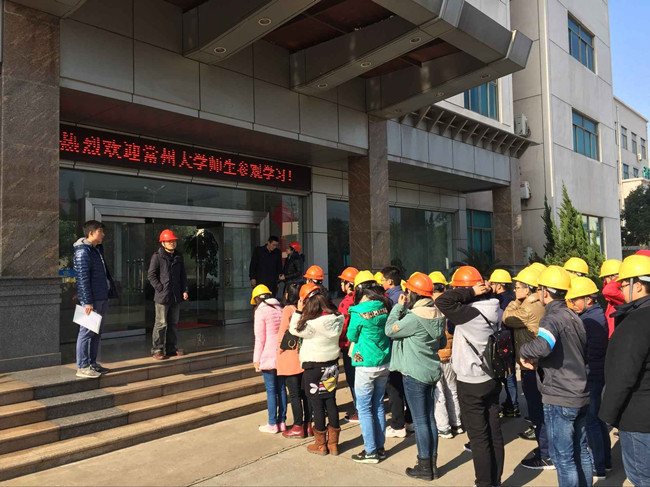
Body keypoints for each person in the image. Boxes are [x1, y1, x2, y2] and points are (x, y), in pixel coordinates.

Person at [519, 266, 592, 487]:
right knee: (581, 451)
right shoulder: (573, 316)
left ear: (545, 292)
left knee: (563, 458)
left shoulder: (551, 318)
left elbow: (543, 346)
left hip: (560, 396)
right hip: (579, 392)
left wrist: (524, 351)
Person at [435, 266, 503, 487]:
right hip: (491, 377)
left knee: (479, 438)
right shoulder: (495, 307)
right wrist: (475, 292)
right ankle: (495, 481)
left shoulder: (470, 314)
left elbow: (442, 301)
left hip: (472, 381)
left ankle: (484, 483)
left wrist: (471, 291)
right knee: (494, 433)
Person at [386, 273, 446, 480]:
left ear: (413, 293)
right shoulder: (438, 314)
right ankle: (432, 465)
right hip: (431, 371)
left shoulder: (413, 317)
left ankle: (424, 465)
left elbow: (390, 330)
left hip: (414, 373)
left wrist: (398, 307)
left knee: (420, 421)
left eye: (408, 291)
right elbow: (441, 343)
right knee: (429, 419)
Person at [600, 255, 650, 487]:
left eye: (622, 285)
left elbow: (622, 376)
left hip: (639, 419)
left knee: (642, 478)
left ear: (637, 285)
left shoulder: (635, 322)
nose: (620, 289)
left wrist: (607, 415)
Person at [502, 266, 553, 470]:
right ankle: (547, 450)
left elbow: (507, 318)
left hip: (532, 364)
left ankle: (546, 454)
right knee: (539, 409)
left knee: (538, 411)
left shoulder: (530, 307)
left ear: (528, 289)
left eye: (517, 287)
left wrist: (515, 301)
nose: (515, 291)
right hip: (534, 363)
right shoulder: (533, 304)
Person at [289, 283, 344, 455]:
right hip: (332, 365)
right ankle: (333, 444)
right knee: (331, 400)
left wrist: (298, 311)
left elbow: (293, 329)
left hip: (313, 367)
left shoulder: (311, 325)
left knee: (317, 404)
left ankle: (320, 445)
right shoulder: (337, 319)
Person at [566, 277, 611, 479]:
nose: (572, 304)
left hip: (591, 375)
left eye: (575, 299)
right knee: (597, 420)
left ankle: (598, 466)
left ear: (588, 299)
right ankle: (605, 462)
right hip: (594, 373)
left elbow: (591, 352)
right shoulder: (591, 315)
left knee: (591, 421)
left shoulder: (590, 320)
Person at [347, 271, 392, 463]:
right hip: (384, 361)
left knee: (364, 408)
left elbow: (351, 336)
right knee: (378, 404)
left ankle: (370, 451)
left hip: (365, 364)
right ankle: (380, 448)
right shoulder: (384, 306)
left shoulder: (358, 311)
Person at [73, 220, 117, 378]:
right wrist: (87, 301)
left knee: (96, 332)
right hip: (92, 299)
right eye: (100, 231)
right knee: (86, 332)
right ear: (91, 233)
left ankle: (92, 363)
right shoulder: (82, 251)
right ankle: (82, 366)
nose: (103, 234)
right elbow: (82, 279)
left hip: (101, 296)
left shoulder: (96, 250)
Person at [381, 265, 413, 438]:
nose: (381, 283)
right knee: (407, 385)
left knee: (394, 387)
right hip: (407, 346)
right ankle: (410, 420)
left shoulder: (390, 300)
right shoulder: (407, 295)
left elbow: (389, 325)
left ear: (390, 281)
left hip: (394, 346)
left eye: (383, 280)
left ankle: (398, 424)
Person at [147, 229, 189, 360]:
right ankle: (157, 349)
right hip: (162, 296)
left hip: (175, 296)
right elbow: (151, 275)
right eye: (169, 241)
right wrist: (160, 288)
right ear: (163, 243)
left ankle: (171, 348)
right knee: (161, 324)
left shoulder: (178, 257)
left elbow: (183, 275)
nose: (172, 243)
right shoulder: (157, 256)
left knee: (173, 323)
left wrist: (185, 290)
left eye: (173, 241)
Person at [430, 272, 463, 439]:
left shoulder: (429, 306)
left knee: (439, 393)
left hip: (435, 355)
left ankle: (444, 427)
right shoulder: (452, 303)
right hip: (451, 354)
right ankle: (457, 423)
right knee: (453, 390)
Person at [277, 282, 312, 439]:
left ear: (287, 295)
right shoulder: (307, 309)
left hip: (290, 356)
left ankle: (298, 426)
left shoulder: (288, 310)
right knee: (306, 394)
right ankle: (308, 424)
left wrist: (279, 349)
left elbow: (283, 332)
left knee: (295, 394)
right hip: (304, 355)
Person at [251, 284, 286, 434]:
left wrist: (256, 359)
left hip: (267, 355)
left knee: (271, 390)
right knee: (281, 389)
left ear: (257, 299)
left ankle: (272, 423)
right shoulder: (280, 308)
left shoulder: (261, 312)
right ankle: (282, 422)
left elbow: (260, 338)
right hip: (281, 354)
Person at [488, 269, 519, 418]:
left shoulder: (502, 302)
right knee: (508, 374)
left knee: (508, 376)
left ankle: (513, 405)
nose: (490, 286)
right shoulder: (510, 299)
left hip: (504, 342)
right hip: (508, 341)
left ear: (499, 285)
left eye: (492, 284)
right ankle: (512, 404)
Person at [337, 266, 360, 422]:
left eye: (343, 281)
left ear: (349, 284)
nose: (341, 284)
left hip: (348, 346)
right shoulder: (363, 299)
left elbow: (342, 326)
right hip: (362, 345)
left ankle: (358, 410)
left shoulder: (346, 303)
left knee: (353, 380)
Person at [599, 259, 623, 338]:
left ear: (611, 277)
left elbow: (607, 290)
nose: (604, 282)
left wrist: (617, 278)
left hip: (616, 336)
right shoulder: (615, 297)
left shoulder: (623, 294)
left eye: (604, 278)